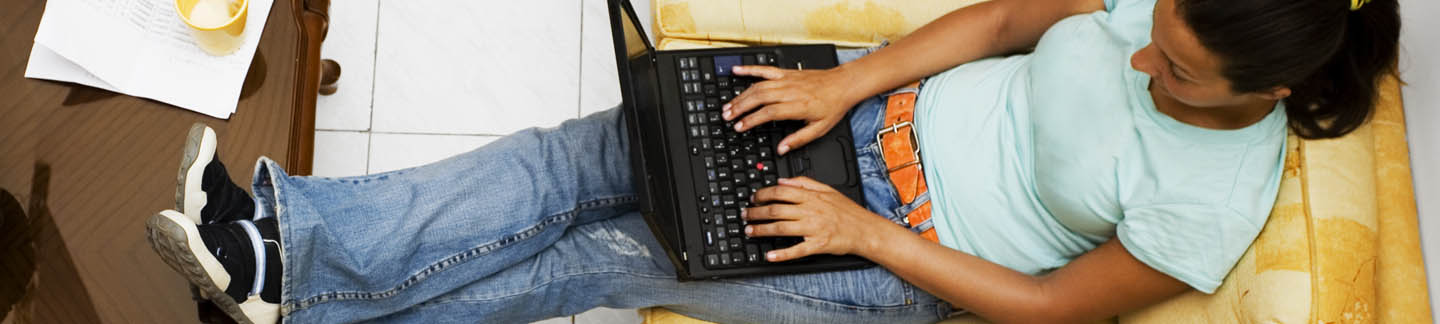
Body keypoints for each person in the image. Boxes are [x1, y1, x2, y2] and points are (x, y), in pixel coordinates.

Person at [143, 0, 1400, 322]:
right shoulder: (1159, 18)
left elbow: (1057, 305)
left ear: (1272, 93)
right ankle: (286, 241)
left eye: (1176, 76)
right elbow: (1016, 23)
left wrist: (871, 237)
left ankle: (291, 289)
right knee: (567, 159)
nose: (1143, 64)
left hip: (888, 257)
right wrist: (852, 77)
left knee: (600, 256)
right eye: (1156, 39)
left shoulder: (1213, 201)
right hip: (849, 123)